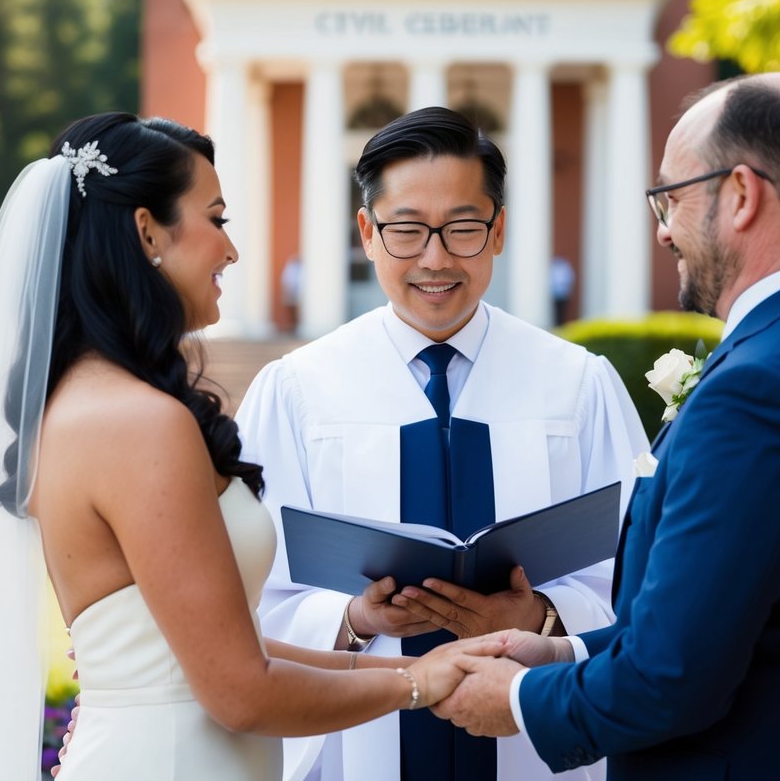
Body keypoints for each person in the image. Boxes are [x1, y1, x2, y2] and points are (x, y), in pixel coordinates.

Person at [0, 112, 502, 781]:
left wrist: (418, 664)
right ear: (146, 231)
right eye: (216, 218)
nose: (231, 250)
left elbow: (220, 650)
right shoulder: (138, 423)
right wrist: (419, 684)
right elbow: (240, 692)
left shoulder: (82, 400)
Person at [433, 72, 780, 779]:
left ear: (740, 195)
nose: (660, 229)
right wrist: (561, 653)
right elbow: (764, 629)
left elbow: (669, 680)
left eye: (670, 198)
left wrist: (520, 699)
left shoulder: (760, 390)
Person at [236, 106, 649, 781]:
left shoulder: (576, 384)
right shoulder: (298, 389)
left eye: (461, 229)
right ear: (367, 233)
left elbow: (637, 584)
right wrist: (354, 616)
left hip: (530, 744)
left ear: (498, 232)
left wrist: (541, 616)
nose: (434, 259)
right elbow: (249, 602)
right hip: (360, 744)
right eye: (405, 231)